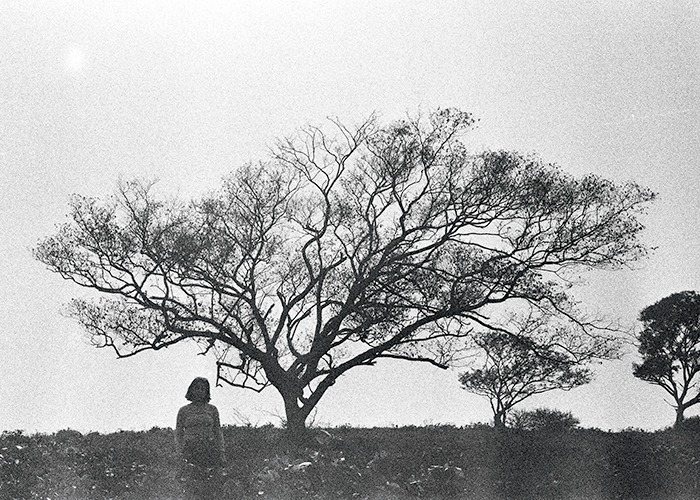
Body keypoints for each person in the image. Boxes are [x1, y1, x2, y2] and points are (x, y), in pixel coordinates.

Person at [176, 377, 225, 499]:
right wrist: (180, 452)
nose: (199, 391)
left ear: (206, 392)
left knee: (211, 484)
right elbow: (179, 434)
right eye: (197, 388)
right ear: (191, 390)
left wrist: (221, 452)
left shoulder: (212, 409)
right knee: (192, 484)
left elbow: (218, 432)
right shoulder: (184, 411)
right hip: (191, 450)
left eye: (203, 389)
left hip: (209, 449)